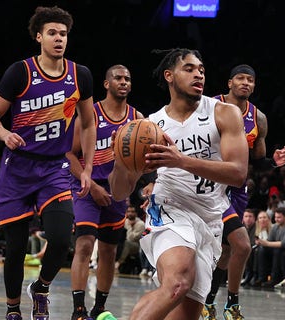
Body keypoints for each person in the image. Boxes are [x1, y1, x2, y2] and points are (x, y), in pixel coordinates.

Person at [108, 48, 248, 320]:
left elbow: (238, 173)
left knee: (183, 310)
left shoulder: (224, 113)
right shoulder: (150, 126)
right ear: (169, 76)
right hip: (170, 210)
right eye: (190, 68)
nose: (199, 74)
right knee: (177, 282)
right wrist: (120, 159)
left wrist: (181, 160)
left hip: (210, 219)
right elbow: (119, 192)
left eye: (202, 70)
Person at [0, 6, 96, 320]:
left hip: (54, 168)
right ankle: (13, 309)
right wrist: (5, 134)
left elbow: (88, 124)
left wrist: (86, 169)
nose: (59, 39)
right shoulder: (20, 72)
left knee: (60, 238)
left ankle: (41, 288)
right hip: (17, 167)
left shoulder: (79, 75)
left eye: (63, 34)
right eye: (52, 33)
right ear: (39, 37)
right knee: (16, 248)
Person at [202, 64, 285, 320]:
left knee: (230, 248)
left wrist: (274, 161)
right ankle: (223, 303)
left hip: (236, 189)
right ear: (229, 83)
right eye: (240, 78)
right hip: (207, 184)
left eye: (250, 80)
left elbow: (257, 161)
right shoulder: (209, 106)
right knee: (233, 244)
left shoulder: (258, 118)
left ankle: (214, 302)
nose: (245, 83)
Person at [65, 64, 142, 320]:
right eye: (118, 78)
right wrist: (91, 182)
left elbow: (143, 162)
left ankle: (99, 308)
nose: (124, 82)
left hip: (116, 192)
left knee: (109, 251)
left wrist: (133, 181)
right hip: (87, 187)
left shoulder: (138, 120)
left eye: (127, 78)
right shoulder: (91, 113)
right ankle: (78, 310)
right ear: (106, 84)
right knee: (85, 245)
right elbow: (69, 153)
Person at [255, 207, 285, 289]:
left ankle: (275, 279)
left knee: (278, 251)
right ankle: (261, 277)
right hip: (277, 248)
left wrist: (266, 243)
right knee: (261, 250)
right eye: (275, 217)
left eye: (279, 217)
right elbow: (270, 240)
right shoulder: (276, 226)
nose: (276, 219)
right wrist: (261, 242)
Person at [115, 205, 146, 273]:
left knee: (127, 243)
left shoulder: (140, 224)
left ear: (136, 213)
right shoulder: (125, 221)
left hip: (136, 246)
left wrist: (130, 227)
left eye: (132, 212)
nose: (130, 213)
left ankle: (117, 264)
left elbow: (131, 238)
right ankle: (94, 263)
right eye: (128, 211)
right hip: (124, 243)